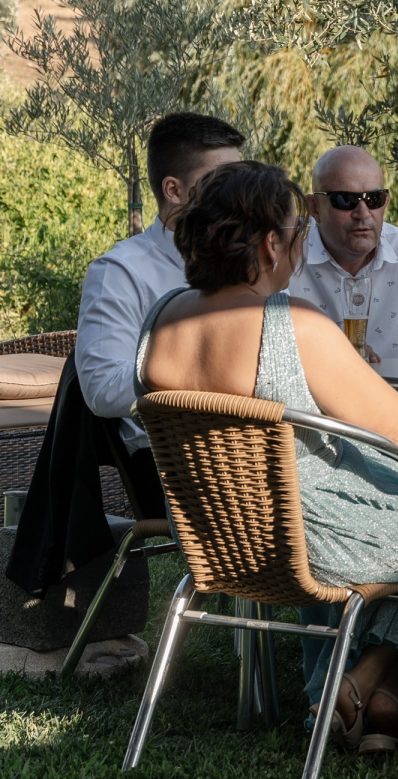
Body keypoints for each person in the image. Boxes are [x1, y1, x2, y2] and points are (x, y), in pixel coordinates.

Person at [134, 160, 398, 771]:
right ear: (271, 244)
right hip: (306, 537)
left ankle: (371, 685)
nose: (301, 244)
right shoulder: (294, 324)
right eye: (298, 231)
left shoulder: (162, 320)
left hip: (217, 537)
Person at [75, 112, 244, 499]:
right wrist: (206, 369)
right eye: (223, 181)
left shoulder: (253, 259)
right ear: (174, 190)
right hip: (174, 465)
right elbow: (102, 389)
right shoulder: (120, 271)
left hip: (256, 447)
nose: (238, 194)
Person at [287, 145, 398, 361]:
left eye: (374, 199)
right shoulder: (285, 256)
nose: (363, 213)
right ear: (314, 207)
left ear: (386, 202)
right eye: (345, 200)